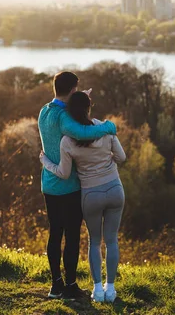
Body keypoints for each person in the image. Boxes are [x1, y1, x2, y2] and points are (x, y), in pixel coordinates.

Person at [40, 91, 126, 303]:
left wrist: (45, 161)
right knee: (112, 240)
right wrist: (108, 160)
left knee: (95, 242)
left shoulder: (68, 141)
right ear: (89, 107)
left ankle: (97, 291)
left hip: (91, 194)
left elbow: (64, 173)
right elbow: (122, 157)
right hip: (115, 189)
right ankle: (111, 290)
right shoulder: (104, 128)